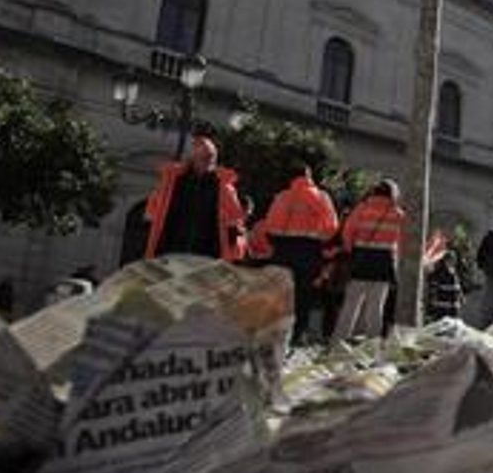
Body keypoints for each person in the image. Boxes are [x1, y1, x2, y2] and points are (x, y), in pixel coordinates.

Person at [260, 166, 340, 342]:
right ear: (309, 177)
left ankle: (272, 334)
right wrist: (320, 238)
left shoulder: (282, 196)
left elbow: (269, 224)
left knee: (279, 294)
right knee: (303, 296)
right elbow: (332, 227)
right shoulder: (321, 197)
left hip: (282, 249)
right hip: (308, 250)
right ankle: (295, 336)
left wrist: (276, 243)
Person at [144, 133, 247, 261]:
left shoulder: (224, 186)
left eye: (210, 157)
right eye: (204, 157)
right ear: (192, 159)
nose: (208, 161)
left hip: (206, 253)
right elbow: (151, 214)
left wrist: (235, 240)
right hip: (171, 248)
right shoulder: (171, 181)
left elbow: (235, 222)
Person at [334, 179, 407, 340]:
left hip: (362, 258)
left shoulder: (362, 209)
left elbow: (348, 232)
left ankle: (338, 343)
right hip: (384, 262)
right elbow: (402, 242)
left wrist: (350, 249)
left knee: (350, 305)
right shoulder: (398, 214)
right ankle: (372, 345)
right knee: (376, 307)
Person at [424, 249, 464, 322]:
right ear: (445, 261)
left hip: (451, 311)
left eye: (453, 261)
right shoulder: (439, 275)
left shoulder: (454, 274)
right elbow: (432, 293)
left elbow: (457, 291)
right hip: (442, 311)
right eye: (450, 261)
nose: (452, 263)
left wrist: (460, 298)